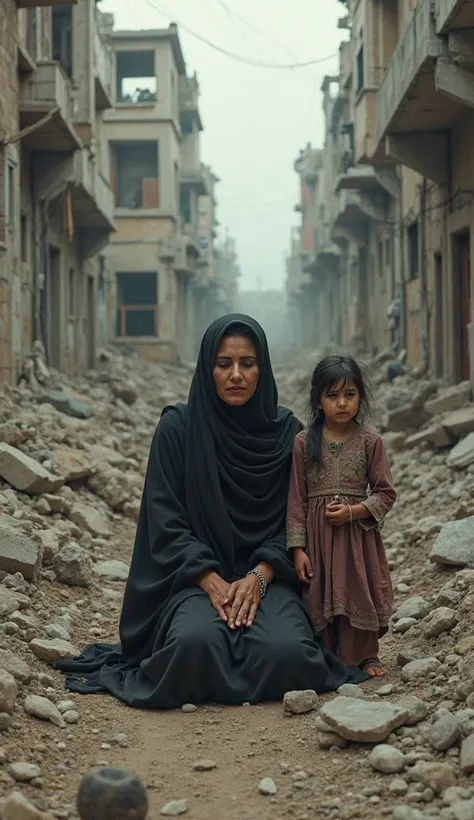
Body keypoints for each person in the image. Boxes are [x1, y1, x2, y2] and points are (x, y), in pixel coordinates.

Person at [54, 316, 366, 708]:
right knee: (192, 645)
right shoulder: (177, 430)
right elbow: (164, 520)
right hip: (191, 579)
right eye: (223, 364)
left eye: (247, 364)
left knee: (287, 652)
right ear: (207, 368)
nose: (235, 375)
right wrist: (208, 578)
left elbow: (298, 517)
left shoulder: (289, 435)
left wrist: (260, 575)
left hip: (268, 576)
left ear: (262, 367)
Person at [287, 355, 396, 678]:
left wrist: (353, 512)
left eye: (349, 395)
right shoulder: (304, 443)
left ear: (360, 397)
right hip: (318, 539)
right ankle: (330, 653)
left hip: (356, 538)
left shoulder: (370, 442)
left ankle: (365, 655)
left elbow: (385, 492)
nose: (342, 403)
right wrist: (297, 549)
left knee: (358, 588)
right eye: (332, 396)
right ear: (318, 400)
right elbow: (296, 498)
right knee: (320, 592)